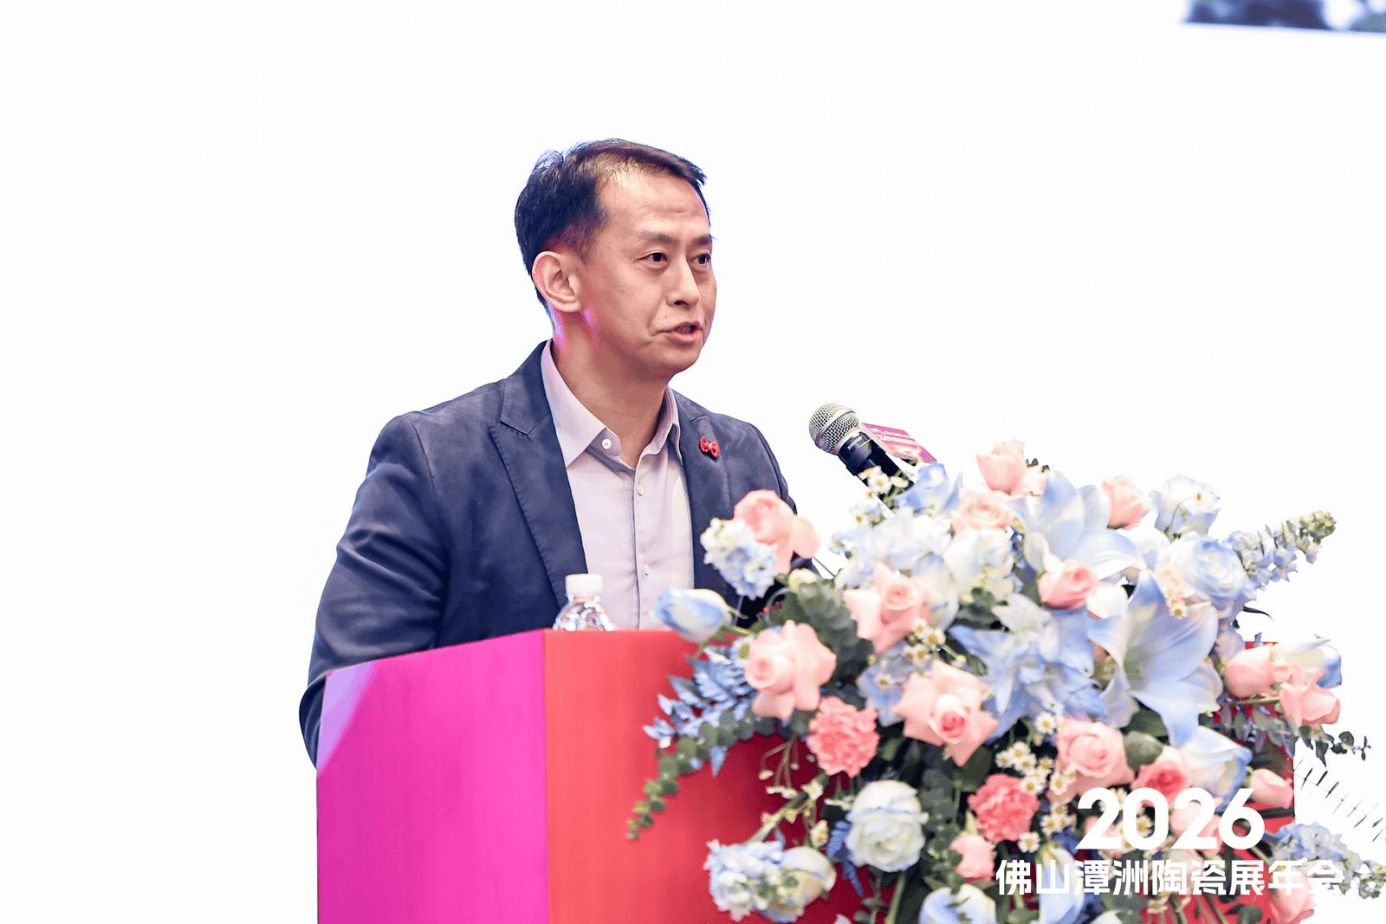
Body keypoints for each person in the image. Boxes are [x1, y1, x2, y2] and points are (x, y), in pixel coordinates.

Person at [299, 140, 798, 765]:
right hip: (506, 822)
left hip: (707, 824)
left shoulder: (741, 458)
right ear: (560, 281)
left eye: (701, 260)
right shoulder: (439, 460)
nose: (688, 290)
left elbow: (808, 675)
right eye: (655, 258)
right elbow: (341, 716)